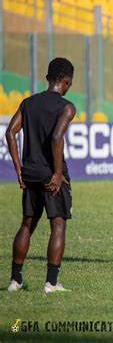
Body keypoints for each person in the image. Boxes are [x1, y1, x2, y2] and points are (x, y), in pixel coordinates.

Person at [5, 57, 76, 292]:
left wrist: (18, 170)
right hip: (51, 177)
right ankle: (52, 283)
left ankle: (15, 280)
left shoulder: (29, 103)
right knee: (58, 226)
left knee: (27, 225)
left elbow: (10, 133)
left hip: (30, 174)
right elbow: (57, 137)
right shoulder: (66, 107)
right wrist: (57, 173)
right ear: (67, 82)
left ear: (48, 79)